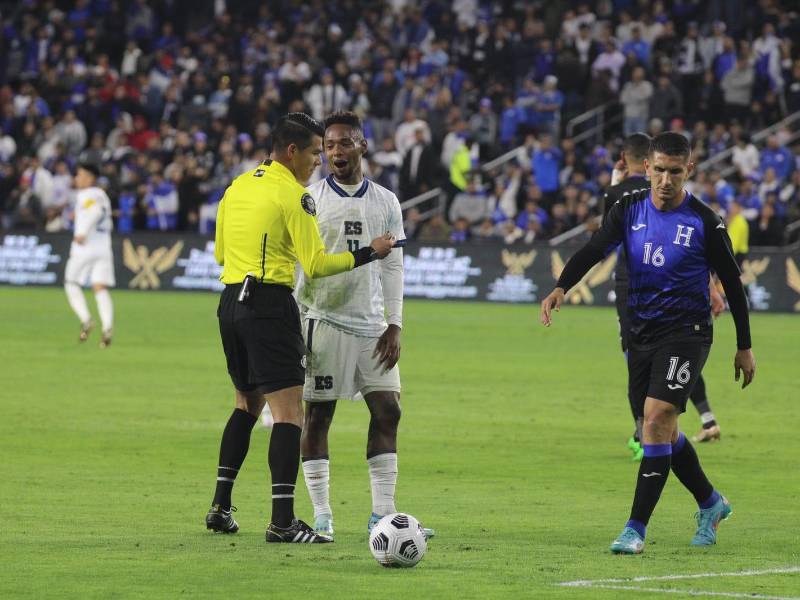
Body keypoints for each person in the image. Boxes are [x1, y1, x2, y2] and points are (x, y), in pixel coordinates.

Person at [541, 132, 756, 554]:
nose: (665, 180)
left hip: (688, 332)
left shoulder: (705, 222)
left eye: (675, 172)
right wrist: (561, 286)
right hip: (641, 332)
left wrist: (744, 345)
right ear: (647, 169)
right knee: (656, 429)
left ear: (688, 171)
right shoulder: (628, 208)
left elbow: (731, 282)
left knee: (657, 418)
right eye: (658, 170)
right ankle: (710, 503)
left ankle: (635, 529)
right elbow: (595, 248)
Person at [205, 112, 396, 543]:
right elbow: (315, 264)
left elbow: (219, 253)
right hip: (269, 305)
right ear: (292, 151)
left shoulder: (237, 186)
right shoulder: (296, 196)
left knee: (245, 406)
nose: (318, 161)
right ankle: (283, 522)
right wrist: (370, 252)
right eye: (314, 152)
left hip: (230, 303)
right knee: (290, 415)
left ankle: (220, 507)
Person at [295, 111, 432, 540]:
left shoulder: (386, 201)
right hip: (325, 320)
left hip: (372, 324)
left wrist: (395, 324)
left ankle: (383, 516)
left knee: (388, 409)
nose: (336, 152)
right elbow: (304, 266)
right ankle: (322, 515)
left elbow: (394, 268)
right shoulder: (311, 199)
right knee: (318, 417)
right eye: (329, 146)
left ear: (362, 146)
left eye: (344, 143)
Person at [605, 134, 724, 458]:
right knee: (677, 357)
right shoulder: (682, 203)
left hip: (633, 288)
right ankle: (705, 417)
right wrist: (711, 285)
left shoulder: (619, 196)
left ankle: (643, 430)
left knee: (639, 362)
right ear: (647, 164)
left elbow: (603, 240)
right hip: (678, 288)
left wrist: (614, 183)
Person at [63, 163, 115, 348]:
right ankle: (107, 328)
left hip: (86, 247)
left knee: (71, 283)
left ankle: (86, 320)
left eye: (80, 175)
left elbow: (95, 212)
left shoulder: (87, 194)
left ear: (90, 178)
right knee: (99, 287)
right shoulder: (102, 195)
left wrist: (82, 231)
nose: (77, 179)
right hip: (104, 247)